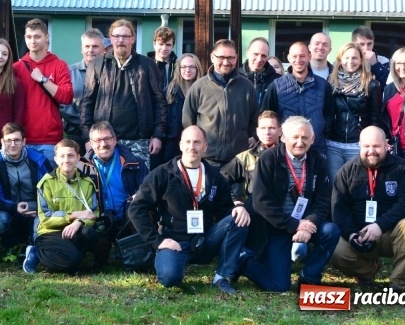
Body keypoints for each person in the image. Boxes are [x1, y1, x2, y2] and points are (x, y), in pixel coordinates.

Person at [127, 125, 249, 292]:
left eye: (197, 142)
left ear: (205, 146)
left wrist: (238, 208)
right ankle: (170, 261)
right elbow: (136, 208)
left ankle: (222, 276)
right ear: (180, 145)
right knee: (169, 278)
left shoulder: (214, 176)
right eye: (188, 142)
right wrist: (157, 240)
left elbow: (224, 211)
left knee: (239, 219)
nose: (192, 147)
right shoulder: (163, 173)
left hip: (205, 240)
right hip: (175, 242)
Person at [239, 116, 340, 292]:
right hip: (276, 226)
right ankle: (244, 261)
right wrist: (294, 224)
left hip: (305, 223)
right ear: (284, 137)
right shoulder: (268, 159)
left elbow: (323, 200)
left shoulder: (318, 160)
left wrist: (307, 224)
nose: (300, 142)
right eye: (295, 137)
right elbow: (261, 202)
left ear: (312, 139)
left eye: (305, 138)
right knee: (279, 286)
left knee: (330, 231)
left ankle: (309, 276)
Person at [330, 126, 405, 290]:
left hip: (390, 233)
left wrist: (380, 225)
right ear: (360, 146)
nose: (371, 151)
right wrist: (351, 235)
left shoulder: (403, 168)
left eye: (376, 146)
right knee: (336, 251)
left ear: (386, 145)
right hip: (359, 235)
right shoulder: (346, 171)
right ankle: (368, 272)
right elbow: (339, 210)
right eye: (366, 146)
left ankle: (398, 280)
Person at [81, 19, 164, 169]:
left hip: (139, 141)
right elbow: (87, 103)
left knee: (139, 188)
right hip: (103, 142)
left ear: (133, 38)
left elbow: (159, 102)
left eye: (125, 36)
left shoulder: (147, 65)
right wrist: (88, 137)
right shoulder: (97, 65)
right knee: (106, 188)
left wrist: (157, 135)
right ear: (110, 38)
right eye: (117, 36)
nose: (121, 40)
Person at [23, 139, 100, 274]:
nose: (66, 160)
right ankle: (36, 252)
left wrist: (79, 222)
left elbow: (94, 212)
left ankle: (72, 260)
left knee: (89, 232)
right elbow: (45, 217)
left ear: (78, 158)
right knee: (72, 260)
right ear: (56, 159)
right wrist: (74, 216)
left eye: (70, 155)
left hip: (73, 230)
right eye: (62, 156)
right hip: (49, 231)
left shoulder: (87, 183)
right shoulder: (46, 183)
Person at [79, 121, 148, 265]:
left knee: (137, 210)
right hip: (99, 220)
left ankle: (137, 255)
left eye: (107, 139)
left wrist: (138, 195)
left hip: (127, 218)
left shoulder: (134, 162)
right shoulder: (81, 167)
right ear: (91, 143)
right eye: (98, 140)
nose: (103, 144)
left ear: (115, 140)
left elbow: (148, 188)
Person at [182, 39, 257, 168]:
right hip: (206, 159)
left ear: (236, 58)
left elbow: (254, 119)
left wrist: (252, 138)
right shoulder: (199, 87)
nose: (226, 62)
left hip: (238, 160)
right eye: (221, 57)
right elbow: (188, 121)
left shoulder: (247, 87)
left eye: (230, 58)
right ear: (212, 57)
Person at [14, 18, 73, 165]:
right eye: (29, 37)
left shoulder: (59, 65)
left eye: (37, 36)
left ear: (46, 38)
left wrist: (43, 80)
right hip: (22, 139)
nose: (33, 41)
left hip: (50, 140)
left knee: (49, 186)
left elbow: (67, 97)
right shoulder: (16, 68)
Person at [261, 41, 334, 156]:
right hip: (285, 149)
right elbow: (267, 114)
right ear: (289, 58)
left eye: (302, 56)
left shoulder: (323, 85)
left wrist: (322, 129)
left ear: (309, 57)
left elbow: (330, 113)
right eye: (294, 56)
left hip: (316, 148)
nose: (298, 60)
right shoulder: (276, 86)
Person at [326, 42, 385, 180]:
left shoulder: (371, 84)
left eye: (354, 58)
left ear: (361, 60)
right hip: (333, 144)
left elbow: (375, 117)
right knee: (336, 183)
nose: (350, 62)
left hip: (357, 144)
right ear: (340, 60)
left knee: (357, 184)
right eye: (346, 58)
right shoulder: (330, 83)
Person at [0, 123, 52, 250]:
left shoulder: (39, 160)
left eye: (17, 140)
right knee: (0, 220)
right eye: (8, 140)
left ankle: (36, 247)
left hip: (36, 207)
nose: (13, 144)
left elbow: (50, 189)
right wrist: (14, 207)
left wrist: (41, 208)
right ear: (2, 141)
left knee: (43, 221)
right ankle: (6, 246)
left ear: (24, 141)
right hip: (9, 207)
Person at [221, 111, 283, 204]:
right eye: (263, 128)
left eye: (272, 128)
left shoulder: (289, 155)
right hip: (254, 211)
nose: (267, 132)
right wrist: (234, 200)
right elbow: (221, 178)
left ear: (280, 131)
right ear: (257, 131)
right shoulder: (246, 157)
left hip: (284, 210)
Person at [61, 29, 105, 152]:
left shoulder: (110, 74)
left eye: (95, 46)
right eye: (87, 46)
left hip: (103, 136)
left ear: (103, 49)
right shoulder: (69, 73)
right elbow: (63, 105)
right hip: (75, 135)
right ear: (82, 49)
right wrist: (85, 124)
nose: (90, 50)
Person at [155, 53, 202, 168]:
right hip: (172, 144)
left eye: (192, 67)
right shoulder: (169, 91)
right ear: (179, 69)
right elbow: (162, 117)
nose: (188, 70)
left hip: (195, 143)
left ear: (197, 69)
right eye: (184, 67)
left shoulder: (204, 90)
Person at [240, 37, 281, 107]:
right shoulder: (235, 78)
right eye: (256, 54)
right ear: (247, 53)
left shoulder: (278, 81)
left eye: (263, 56)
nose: (259, 59)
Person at [147, 26, 178, 93]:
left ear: (173, 46)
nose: (164, 48)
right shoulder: (145, 65)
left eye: (168, 45)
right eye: (161, 44)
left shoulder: (179, 66)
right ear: (154, 44)